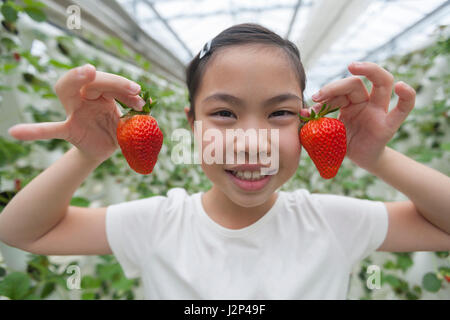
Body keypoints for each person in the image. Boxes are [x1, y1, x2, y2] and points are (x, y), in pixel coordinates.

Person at [1, 23, 449, 300]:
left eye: (280, 113)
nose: (253, 142)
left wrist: (376, 156)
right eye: (224, 114)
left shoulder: (330, 220)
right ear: (191, 122)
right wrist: (88, 152)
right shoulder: (160, 222)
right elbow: (21, 232)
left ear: (307, 123)